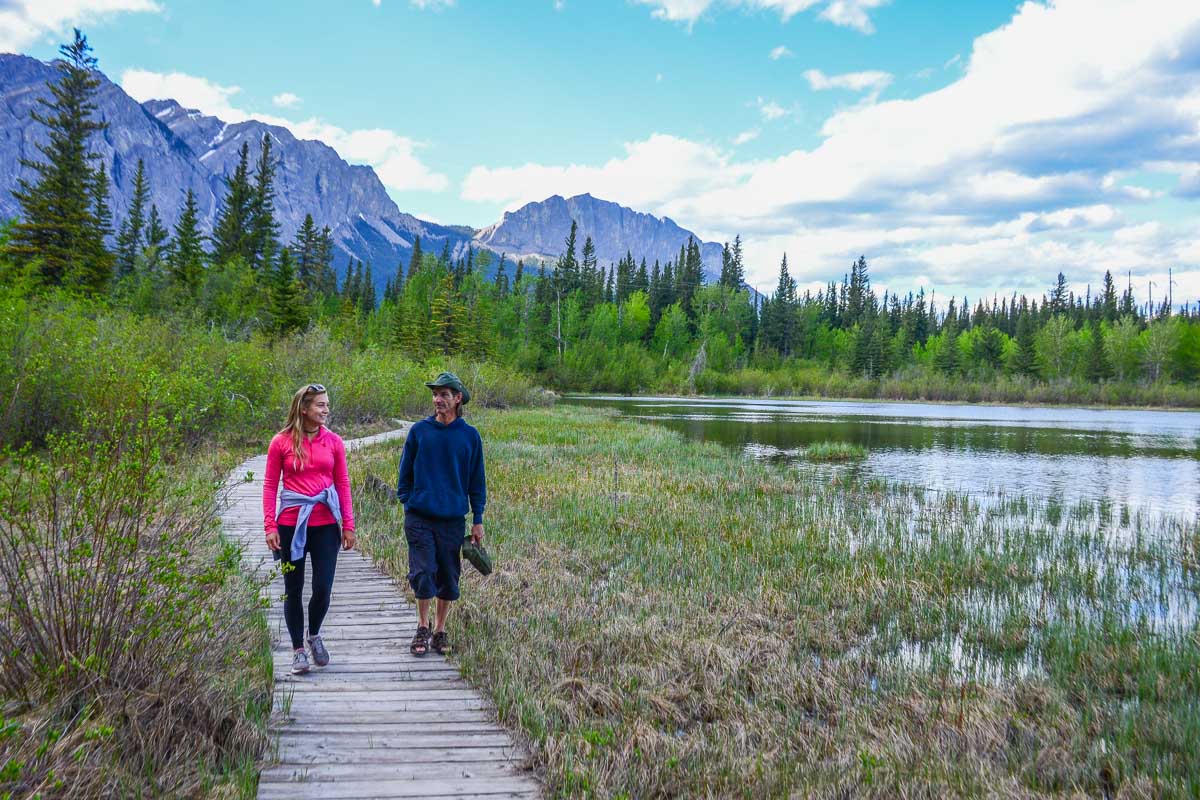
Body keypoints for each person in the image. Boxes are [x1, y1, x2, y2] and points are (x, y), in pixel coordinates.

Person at [263, 383, 356, 674]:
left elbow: (342, 483)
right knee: (293, 588)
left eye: (327, 405)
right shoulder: (281, 442)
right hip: (291, 524)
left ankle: (314, 634)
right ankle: (298, 650)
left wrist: (348, 525)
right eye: (320, 405)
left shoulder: (334, 442)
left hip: (326, 523)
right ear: (304, 408)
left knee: (323, 588)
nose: (326, 410)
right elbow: (269, 485)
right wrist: (270, 525)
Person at [396, 372, 486, 657]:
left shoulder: (469, 436)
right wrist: (409, 501)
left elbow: (477, 482)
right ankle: (422, 625)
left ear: (458, 398)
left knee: (449, 576)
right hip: (419, 517)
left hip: (452, 520)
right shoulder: (419, 432)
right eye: (435, 394)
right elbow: (405, 473)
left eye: (444, 394)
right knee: (422, 573)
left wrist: (478, 519)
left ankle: (440, 630)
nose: (438, 399)